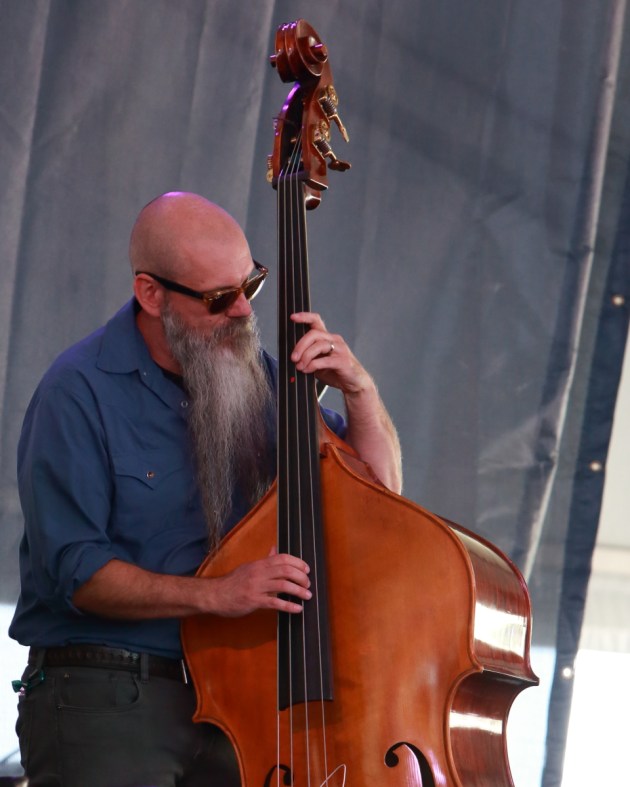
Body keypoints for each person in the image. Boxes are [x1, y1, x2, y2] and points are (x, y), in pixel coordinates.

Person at [9, 191, 402, 787]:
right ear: (151, 293)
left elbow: (378, 500)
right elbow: (77, 573)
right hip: (106, 690)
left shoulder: (265, 382)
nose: (243, 311)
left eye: (251, 285)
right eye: (219, 298)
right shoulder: (77, 391)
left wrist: (360, 391)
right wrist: (220, 593)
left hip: (237, 696)